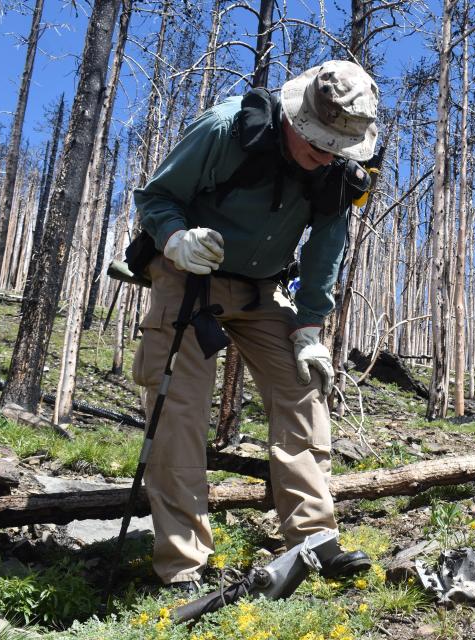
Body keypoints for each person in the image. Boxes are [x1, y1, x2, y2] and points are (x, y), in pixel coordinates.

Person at [132, 60, 379, 592]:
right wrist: (176, 239)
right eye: (317, 147)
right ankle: (182, 565)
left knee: (302, 386)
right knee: (180, 408)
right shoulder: (224, 130)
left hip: (262, 288)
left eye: (336, 151)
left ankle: (315, 541)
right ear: (294, 121)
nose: (324, 160)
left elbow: (326, 249)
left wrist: (310, 328)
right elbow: (155, 197)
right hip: (187, 274)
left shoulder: (337, 167)